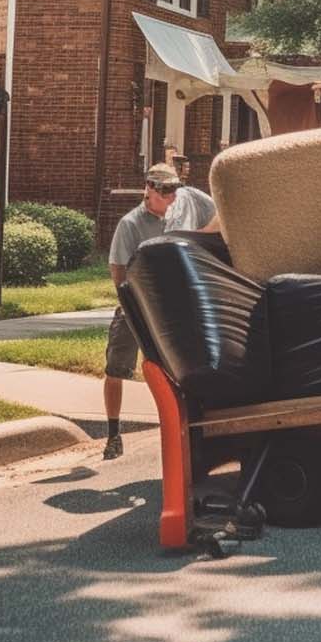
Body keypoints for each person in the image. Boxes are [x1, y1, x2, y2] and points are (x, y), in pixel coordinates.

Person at [102, 163, 217, 459]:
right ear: (148, 189)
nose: (170, 196)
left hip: (169, 309)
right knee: (116, 368)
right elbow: (118, 270)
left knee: (173, 372)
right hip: (135, 306)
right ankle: (113, 434)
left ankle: (182, 433)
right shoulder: (131, 224)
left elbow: (221, 215)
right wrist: (132, 303)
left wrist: (201, 235)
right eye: (163, 190)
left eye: (173, 190)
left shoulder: (181, 211)